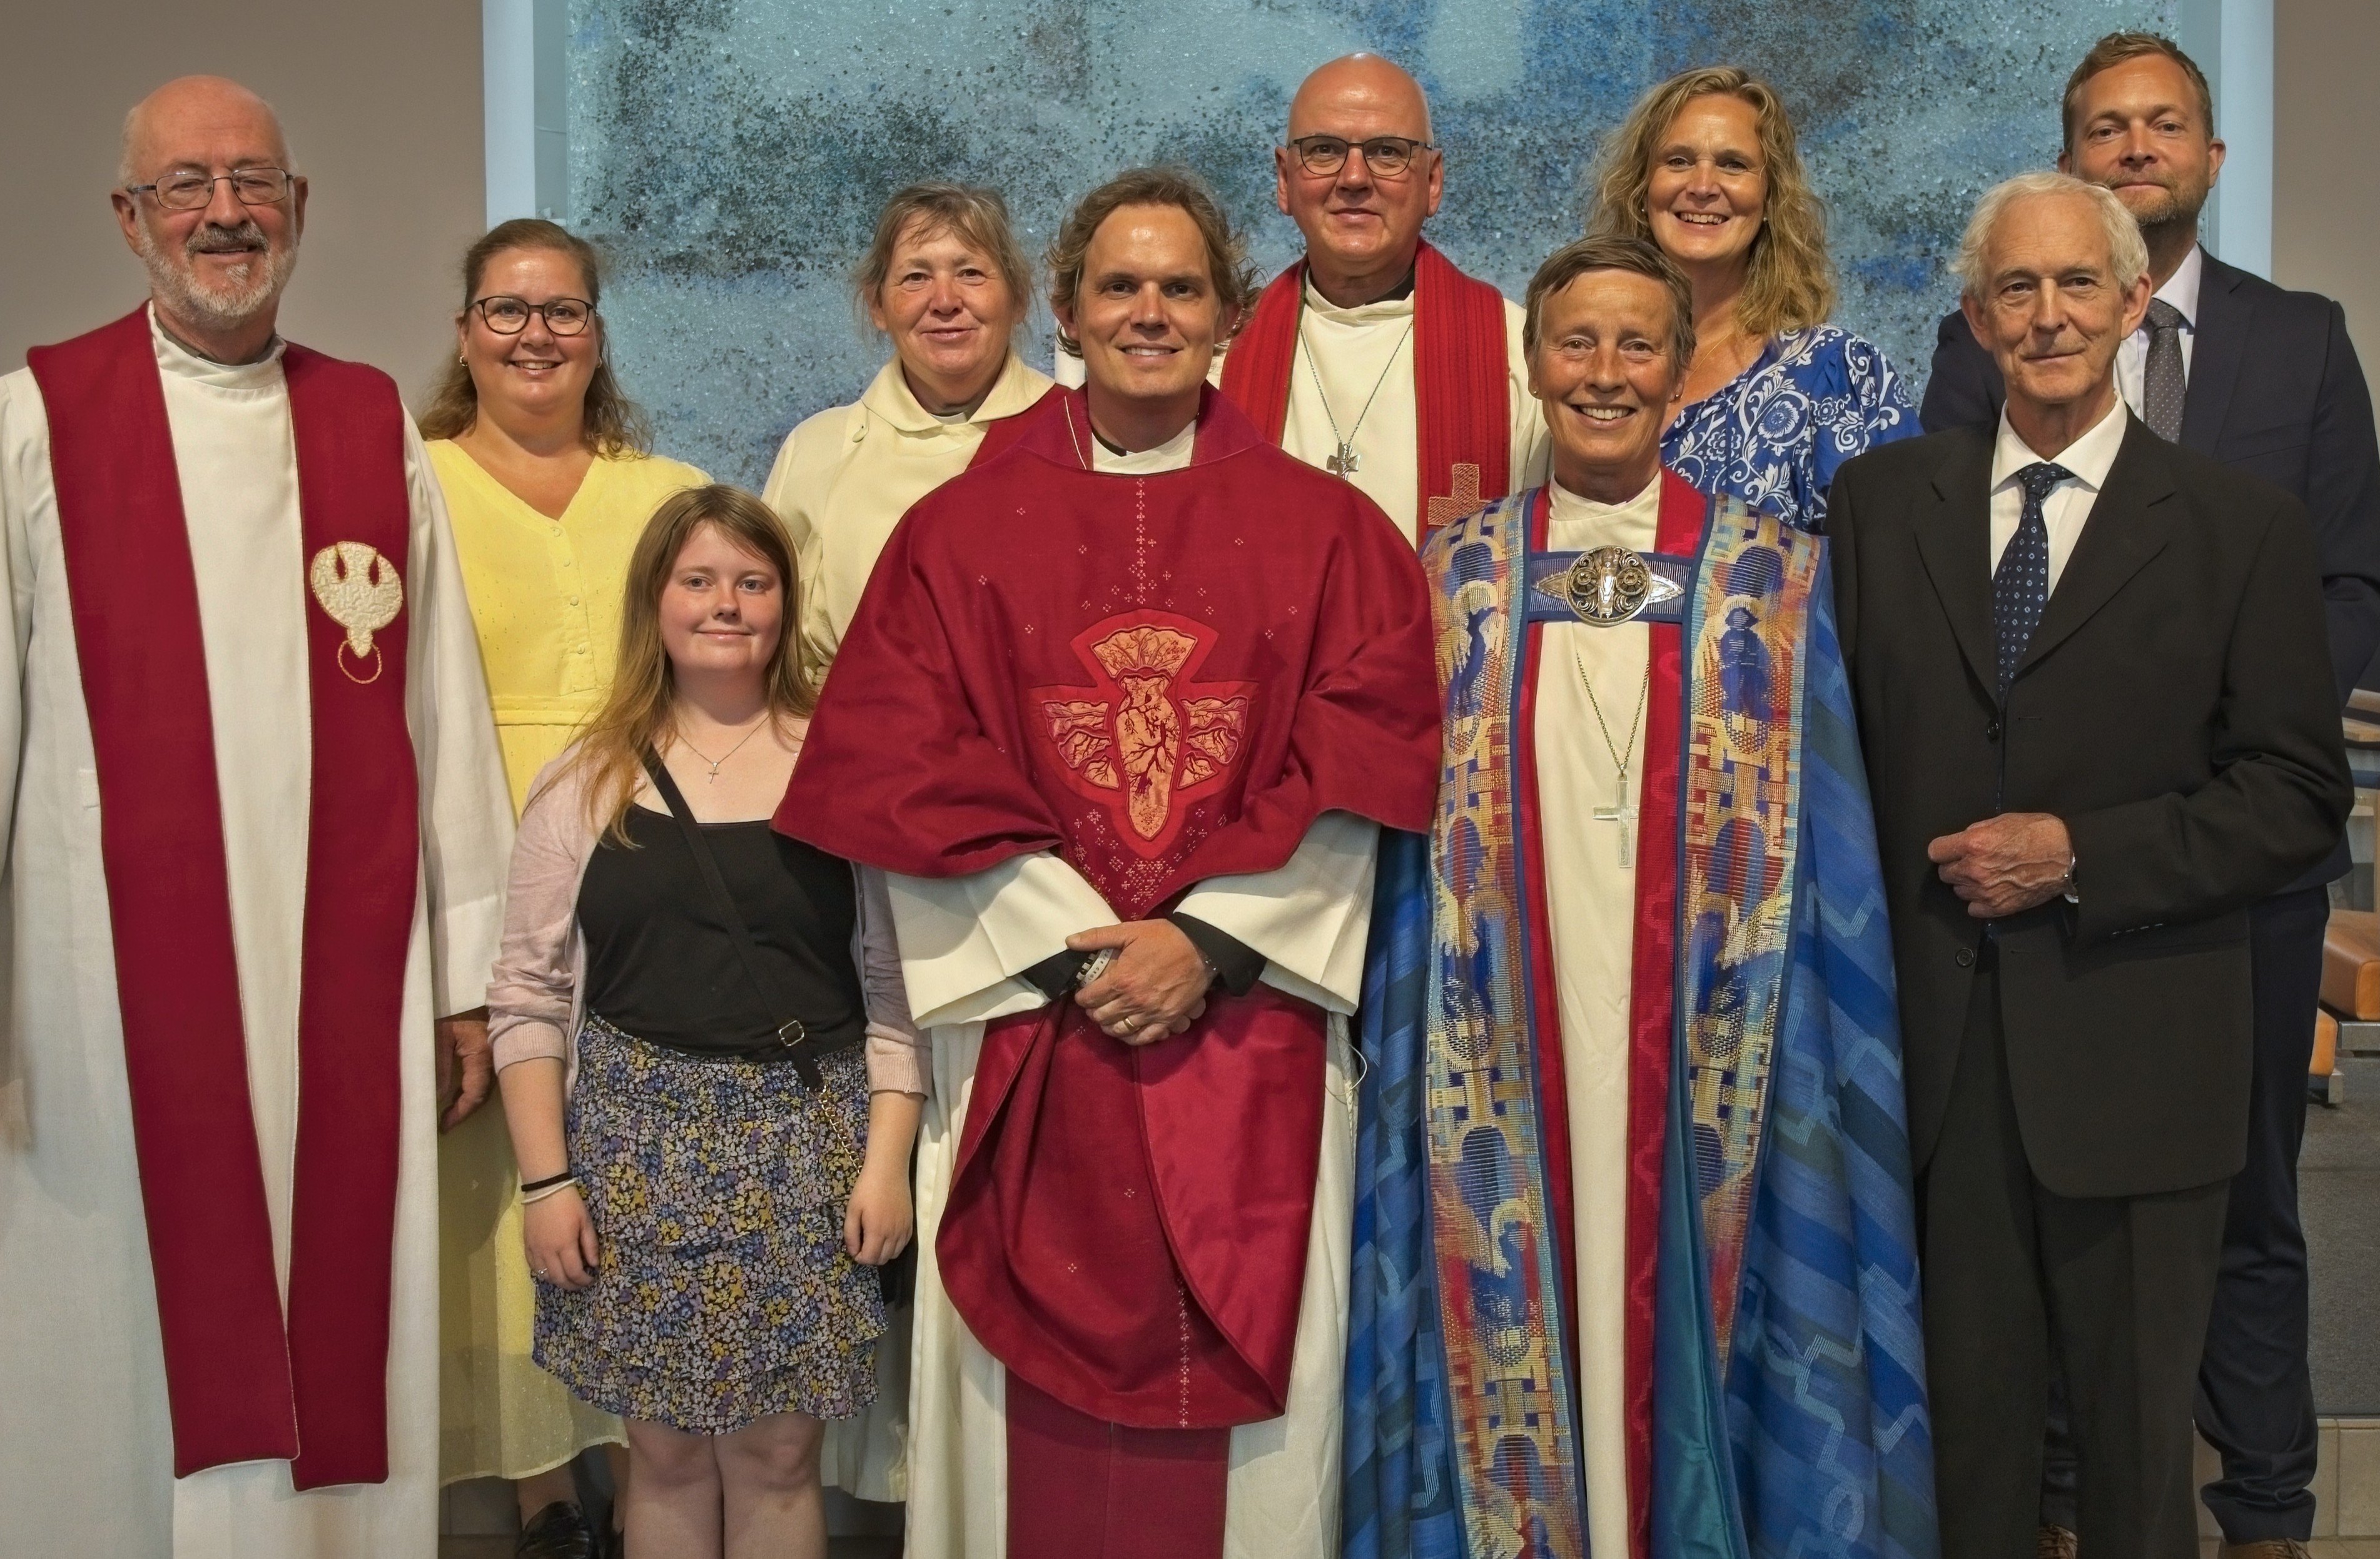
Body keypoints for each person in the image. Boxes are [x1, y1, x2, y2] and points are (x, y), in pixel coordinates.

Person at [0, 76, 510, 1556]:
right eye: (188, 185)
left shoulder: (368, 423)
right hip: (104, 1001)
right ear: (129, 217)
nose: (226, 212)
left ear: (299, 208)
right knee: (117, 1329)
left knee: (337, 1303)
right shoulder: (36, 418)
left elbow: (439, 715)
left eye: (253, 182)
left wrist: (467, 979)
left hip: (341, 982)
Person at [770, 166, 1440, 1559]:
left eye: (1179, 286)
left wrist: (1203, 942)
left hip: (1245, 1019)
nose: (1149, 312)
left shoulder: (1331, 535)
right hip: (1035, 1017)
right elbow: (905, 759)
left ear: (1227, 312)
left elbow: (1364, 754)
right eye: (1119, 286)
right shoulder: (952, 532)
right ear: (1065, 310)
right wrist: (1086, 944)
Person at [1343, 236, 1935, 1559]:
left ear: (1679, 371)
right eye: (1576, 343)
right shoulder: (1451, 577)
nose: (1604, 373)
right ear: (1530, 361)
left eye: (1636, 346)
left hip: (1713, 1036)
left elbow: (1831, 840)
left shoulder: (1778, 580)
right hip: (1503, 1026)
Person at [1826, 172, 2352, 1559]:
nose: (2046, 315)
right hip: (1933, 1063)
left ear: (2131, 304)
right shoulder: (1882, 506)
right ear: (1973, 314)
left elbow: (2296, 796)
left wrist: (2082, 855)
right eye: (2016, 287)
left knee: (2129, 1470)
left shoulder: (2238, 529)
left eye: (2075, 285)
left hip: (2138, 1055)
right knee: (1968, 1459)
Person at [488, 483, 921, 1559]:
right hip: (634, 1146)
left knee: (779, 1459)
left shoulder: (840, 769)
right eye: (698, 579)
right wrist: (547, 1182)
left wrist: (886, 1162)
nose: (724, 603)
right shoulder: (584, 782)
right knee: (667, 1455)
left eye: (751, 581)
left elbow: (893, 987)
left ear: (782, 603)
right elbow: (528, 994)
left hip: (803, 1143)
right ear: (658, 601)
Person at [417, 216, 709, 1556]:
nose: (535, 334)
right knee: (494, 1176)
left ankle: (632, 1444)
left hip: (645, 859)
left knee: (628, 1149)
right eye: (505, 309)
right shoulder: (400, 485)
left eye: (564, 311)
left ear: (599, 332)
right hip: (461, 848)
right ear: (464, 329)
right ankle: (533, 1488)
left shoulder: (670, 491)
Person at [1214, 53, 1546, 542]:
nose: (1353, 178)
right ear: (1284, 180)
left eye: (1387, 152)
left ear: (1433, 181)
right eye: (1324, 150)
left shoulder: (1521, 356)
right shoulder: (1219, 354)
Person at [1589, 66, 1920, 531]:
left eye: (1733, 164)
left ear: (1770, 199)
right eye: (1678, 161)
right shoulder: (1585, 369)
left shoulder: (1837, 376)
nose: (1703, 186)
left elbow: (1900, 563)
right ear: (1642, 190)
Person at [764, 183, 1056, 661]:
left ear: (1019, 297)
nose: (944, 300)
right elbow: (769, 648)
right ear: (877, 305)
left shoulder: (1080, 437)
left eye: (971, 273)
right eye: (916, 277)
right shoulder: (816, 448)